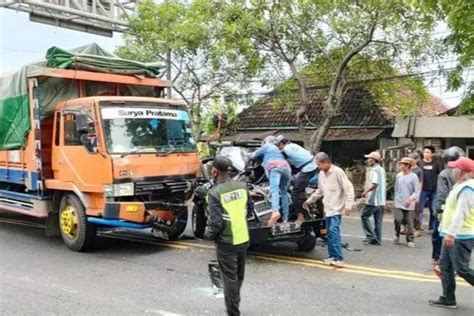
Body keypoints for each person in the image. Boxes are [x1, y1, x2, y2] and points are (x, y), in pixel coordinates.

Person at [207, 156, 255, 316]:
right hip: (243, 238)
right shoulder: (242, 187)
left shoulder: (214, 193)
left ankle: (233, 311)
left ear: (215, 171)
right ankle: (234, 302)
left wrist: (209, 235)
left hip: (227, 241)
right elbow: (250, 208)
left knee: (229, 278)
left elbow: (216, 223)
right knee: (238, 276)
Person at [429, 157, 474, 309]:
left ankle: (448, 298)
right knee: (445, 266)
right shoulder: (459, 185)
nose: (452, 170)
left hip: (460, 235)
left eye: (455, 168)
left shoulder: (467, 189)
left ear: (462, 172)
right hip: (450, 233)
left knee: (461, 268)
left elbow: (461, 214)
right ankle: (448, 298)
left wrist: (451, 234)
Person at [303, 152, 354, 268]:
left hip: (337, 208)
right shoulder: (321, 174)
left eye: (319, 164)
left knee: (334, 231)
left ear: (326, 163)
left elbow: (348, 188)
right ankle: (332, 256)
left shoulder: (337, 172)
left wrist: (349, 205)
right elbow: (319, 191)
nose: (318, 167)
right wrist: (309, 201)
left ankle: (338, 257)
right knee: (329, 233)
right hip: (328, 208)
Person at [431, 147, 466, 266]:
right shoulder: (465, 174)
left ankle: (438, 258)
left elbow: (441, 194)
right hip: (462, 210)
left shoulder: (444, 173)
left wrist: (438, 210)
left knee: (438, 234)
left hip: (447, 209)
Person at [251, 136, 291, 225]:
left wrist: (249, 155)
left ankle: (275, 212)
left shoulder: (267, 146)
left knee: (274, 190)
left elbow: (253, 156)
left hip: (275, 167)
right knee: (284, 191)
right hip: (286, 168)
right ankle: (285, 218)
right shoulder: (277, 149)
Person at [276, 136, 317, 221]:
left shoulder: (285, 150)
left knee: (296, 192)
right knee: (295, 183)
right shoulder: (293, 145)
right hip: (313, 164)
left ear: (281, 144)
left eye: (277, 145)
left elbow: (277, 159)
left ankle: (301, 215)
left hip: (308, 168)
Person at [393, 157, 420, 247]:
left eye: (403, 164)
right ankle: (397, 234)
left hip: (409, 202)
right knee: (398, 219)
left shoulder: (414, 177)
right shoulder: (399, 175)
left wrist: (411, 199)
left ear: (408, 166)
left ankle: (410, 239)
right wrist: (396, 199)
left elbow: (416, 191)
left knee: (409, 222)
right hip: (399, 201)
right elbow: (396, 188)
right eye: (400, 164)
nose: (401, 166)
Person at [361, 151, 386, 245]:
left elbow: (374, 184)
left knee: (364, 216)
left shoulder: (375, 170)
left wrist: (366, 191)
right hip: (381, 199)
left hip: (374, 198)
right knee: (378, 221)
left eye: (369, 158)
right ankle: (378, 239)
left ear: (373, 160)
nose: (368, 160)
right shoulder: (381, 169)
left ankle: (370, 236)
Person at [419, 146, 443, 232]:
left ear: (432, 154)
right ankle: (418, 226)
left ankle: (432, 227)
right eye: (424, 152)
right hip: (422, 189)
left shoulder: (436, 164)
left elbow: (441, 175)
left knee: (433, 209)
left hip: (434, 190)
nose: (426, 154)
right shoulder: (420, 163)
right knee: (419, 209)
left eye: (428, 152)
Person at [409, 152, 423, 236]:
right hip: (407, 192)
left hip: (415, 192)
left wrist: (418, 195)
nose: (410, 160)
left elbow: (420, 183)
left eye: (412, 159)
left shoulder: (419, 170)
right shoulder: (408, 169)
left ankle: (417, 229)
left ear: (416, 160)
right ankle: (406, 227)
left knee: (415, 212)